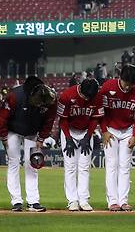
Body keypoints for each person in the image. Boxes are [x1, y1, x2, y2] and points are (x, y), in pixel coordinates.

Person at [0, 76, 57, 212]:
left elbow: (49, 120)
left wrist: (41, 138)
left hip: (32, 132)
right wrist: (3, 136)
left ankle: (33, 202)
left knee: (32, 164)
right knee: (14, 162)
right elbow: (3, 117)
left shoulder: (50, 99)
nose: (40, 106)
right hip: (13, 131)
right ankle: (16, 201)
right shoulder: (15, 96)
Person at [98, 64, 135, 211]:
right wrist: (104, 131)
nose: (128, 88)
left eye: (131, 85)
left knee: (125, 167)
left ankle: (123, 201)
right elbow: (101, 111)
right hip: (111, 130)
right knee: (112, 166)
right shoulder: (108, 87)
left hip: (128, 130)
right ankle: (112, 201)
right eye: (126, 84)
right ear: (120, 78)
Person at [57, 78, 101, 212]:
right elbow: (63, 120)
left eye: (89, 97)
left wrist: (88, 136)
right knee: (70, 167)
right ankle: (72, 200)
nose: (87, 99)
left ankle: (83, 200)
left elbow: (95, 118)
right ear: (80, 88)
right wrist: (68, 139)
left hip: (86, 132)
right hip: (69, 131)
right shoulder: (67, 95)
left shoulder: (96, 97)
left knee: (84, 167)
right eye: (85, 96)